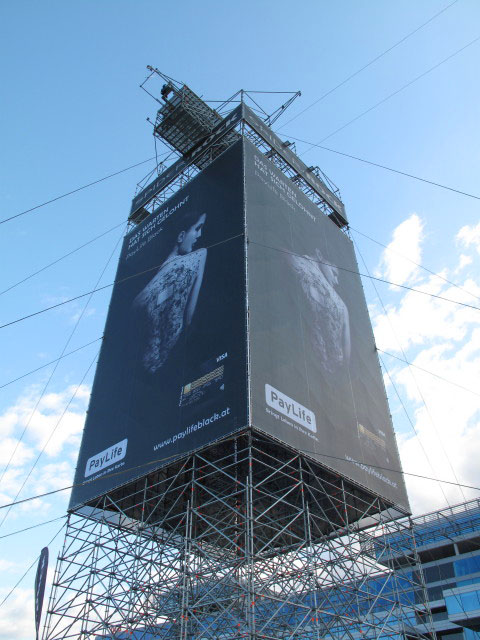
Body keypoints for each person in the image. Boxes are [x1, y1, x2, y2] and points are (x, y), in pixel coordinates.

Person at [133, 211, 207, 374]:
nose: (199, 235)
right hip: (150, 368)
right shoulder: (194, 258)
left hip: (168, 365)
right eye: (197, 228)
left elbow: (188, 318)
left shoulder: (199, 255)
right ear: (181, 236)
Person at [290, 247, 351, 373]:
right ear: (318, 254)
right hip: (312, 365)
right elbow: (346, 353)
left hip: (319, 370)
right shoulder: (296, 261)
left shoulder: (341, 305)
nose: (336, 281)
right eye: (334, 273)